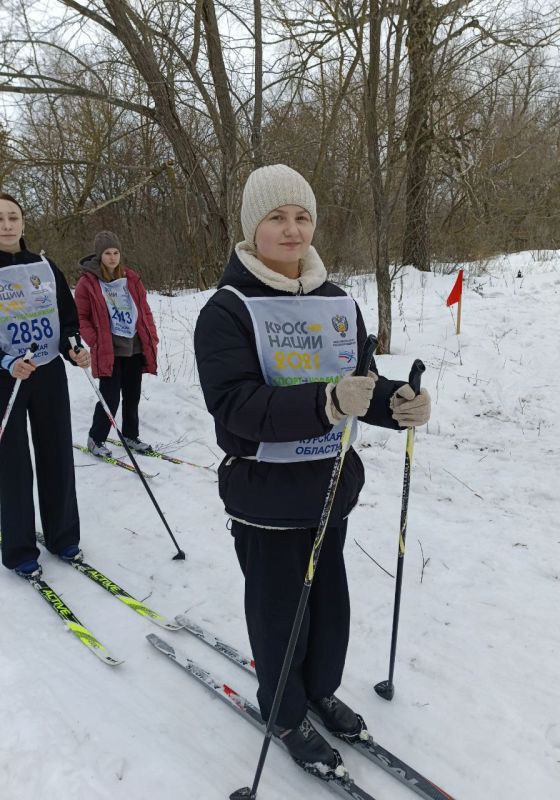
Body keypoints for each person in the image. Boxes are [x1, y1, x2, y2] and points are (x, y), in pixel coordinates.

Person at [194, 164, 431, 771]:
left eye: (301, 216)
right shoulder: (228, 309)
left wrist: (398, 402)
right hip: (266, 493)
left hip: (329, 486)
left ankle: (319, 689)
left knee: (329, 601)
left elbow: (361, 386)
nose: (292, 229)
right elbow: (234, 406)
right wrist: (323, 403)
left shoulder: (337, 302)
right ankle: (284, 708)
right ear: (253, 227)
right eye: (276, 217)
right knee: (280, 612)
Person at [0, 191, 90, 576]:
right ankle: (20, 549)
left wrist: (74, 347)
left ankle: (63, 535)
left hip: (48, 370)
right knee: (14, 462)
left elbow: (67, 319)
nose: (7, 225)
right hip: (8, 376)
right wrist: (6, 362)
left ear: (23, 221)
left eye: (13, 217)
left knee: (55, 450)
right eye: (0, 219)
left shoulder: (44, 265)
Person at [74, 231, 159, 457]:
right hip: (110, 349)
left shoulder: (130, 278)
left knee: (132, 395)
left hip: (134, 346)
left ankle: (131, 434)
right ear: (99, 255)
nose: (112, 257)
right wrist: (95, 340)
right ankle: (96, 438)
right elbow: (80, 317)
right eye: (107, 253)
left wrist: (152, 335)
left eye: (116, 252)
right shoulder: (88, 283)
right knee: (109, 397)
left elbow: (144, 310)